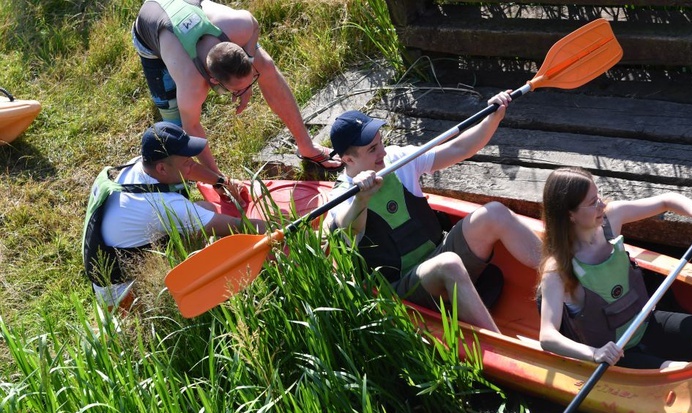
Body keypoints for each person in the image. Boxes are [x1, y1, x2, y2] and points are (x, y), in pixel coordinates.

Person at [323, 92, 541, 333]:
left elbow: (459, 148)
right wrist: (360, 199)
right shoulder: (341, 197)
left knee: (495, 213)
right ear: (348, 159)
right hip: (404, 291)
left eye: (380, 142)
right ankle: (503, 351)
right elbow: (347, 229)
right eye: (373, 149)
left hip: (440, 254)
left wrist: (493, 119)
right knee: (448, 263)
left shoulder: (396, 158)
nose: (382, 152)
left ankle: (572, 278)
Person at [537, 167, 692, 369]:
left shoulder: (610, 219)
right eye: (592, 202)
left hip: (646, 325)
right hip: (615, 354)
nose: (602, 204)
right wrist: (596, 353)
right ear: (570, 215)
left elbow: (667, 200)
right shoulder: (557, 269)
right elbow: (547, 336)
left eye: (598, 196)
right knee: (682, 371)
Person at [131, 0, 340, 174]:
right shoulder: (190, 82)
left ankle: (306, 146)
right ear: (213, 81)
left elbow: (254, 24)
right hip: (151, 35)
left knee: (265, 65)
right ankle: (178, 187)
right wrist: (218, 178)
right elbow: (192, 129)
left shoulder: (239, 25)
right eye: (236, 89)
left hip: (187, 5)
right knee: (173, 128)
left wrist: (249, 65)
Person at [82, 121, 264, 312]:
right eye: (185, 162)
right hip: (122, 297)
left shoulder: (140, 165)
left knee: (205, 208)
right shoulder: (163, 206)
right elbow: (237, 227)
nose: (190, 166)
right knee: (207, 234)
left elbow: (191, 169)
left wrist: (220, 182)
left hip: (117, 261)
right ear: (162, 169)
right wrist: (283, 227)